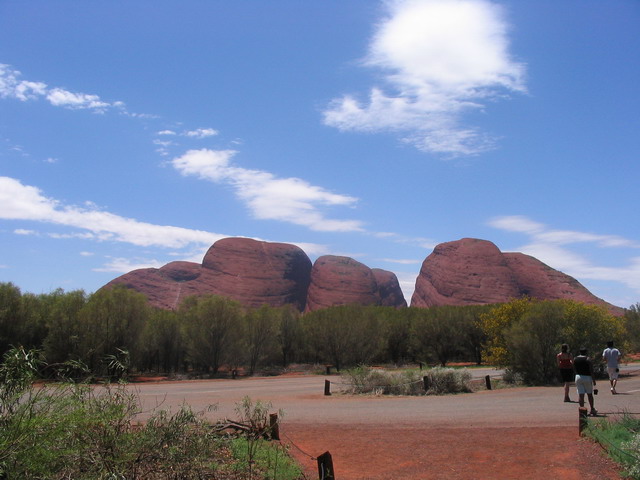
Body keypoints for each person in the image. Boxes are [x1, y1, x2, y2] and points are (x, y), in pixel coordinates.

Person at [573, 348, 597, 416]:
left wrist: (576, 374)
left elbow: (574, 368)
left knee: (581, 394)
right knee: (589, 394)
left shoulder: (575, 359)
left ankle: (582, 410)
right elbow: (591, 370)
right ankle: (592, 409)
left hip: (578, 377)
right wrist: (594, 380)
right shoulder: (588, 359)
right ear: (586, 352)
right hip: (587, 377)